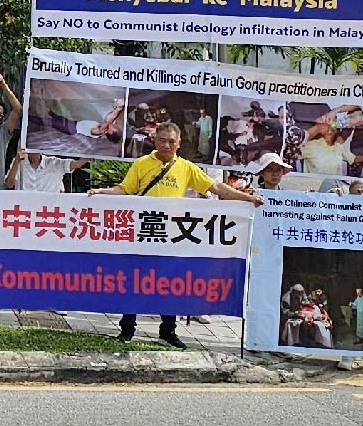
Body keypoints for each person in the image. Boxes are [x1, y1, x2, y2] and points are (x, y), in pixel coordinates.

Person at [87, 121, 264, 348]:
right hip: (144, 232)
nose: (167, 145)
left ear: (179, 143)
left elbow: (216, 188)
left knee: (168, 284)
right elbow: (125, 189)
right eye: (162, 140)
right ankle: (127, 329)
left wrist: (247, 198)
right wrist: (102, 192)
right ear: (154, 140)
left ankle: (168, 332)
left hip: (171, 236)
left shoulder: (186, 168)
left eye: (172, 141)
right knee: (135, 281)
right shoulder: (141, 164)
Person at [6, 151, 88, 192]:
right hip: (25, 211)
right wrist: (16, 161)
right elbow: (9, 184)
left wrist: (91, 152)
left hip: (48, 212)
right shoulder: (19, 162)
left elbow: (77, 164)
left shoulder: (54, 163)